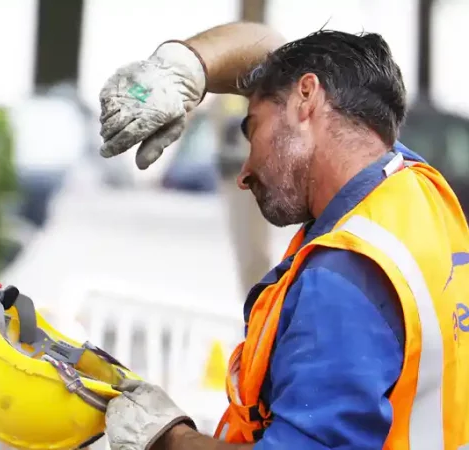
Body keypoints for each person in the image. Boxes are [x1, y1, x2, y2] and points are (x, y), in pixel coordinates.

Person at [97, 22, 469, 450]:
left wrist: (168, 438)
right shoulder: (413, 187)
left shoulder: (343, 278)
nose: (244, 174)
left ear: (306, 98)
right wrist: (182, 68)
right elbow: (271, 52)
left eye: (252, 130)